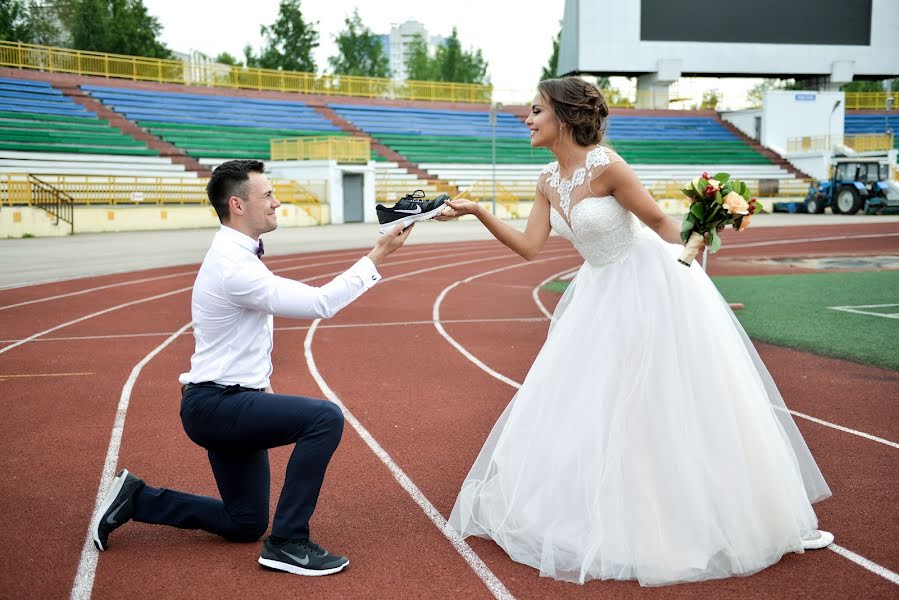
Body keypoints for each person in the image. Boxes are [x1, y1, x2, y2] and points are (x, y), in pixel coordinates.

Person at [438, 78, 834, 586]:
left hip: (651, 282)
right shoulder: (545, 180)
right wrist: (478, 212)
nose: (527, 119)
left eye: (536, 110)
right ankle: (617, 512)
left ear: (562, 114)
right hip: (599, 294)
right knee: (597, 402)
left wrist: (699, 248)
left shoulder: (607, 165)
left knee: (665, 400)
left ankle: (738, 517)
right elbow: (530, 247)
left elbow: (661, 224)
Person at [91, 159, 412, 576]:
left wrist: (258, 389)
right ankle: (289, 541)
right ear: (237, 205)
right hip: (216, 405)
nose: (277, 202)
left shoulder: (236, 255)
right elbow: (321, 303)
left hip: (226, 400)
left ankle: (139, 499)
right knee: (324, 418)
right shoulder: (233, 266)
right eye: (268, 195)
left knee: (244, 523)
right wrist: (379, 253)